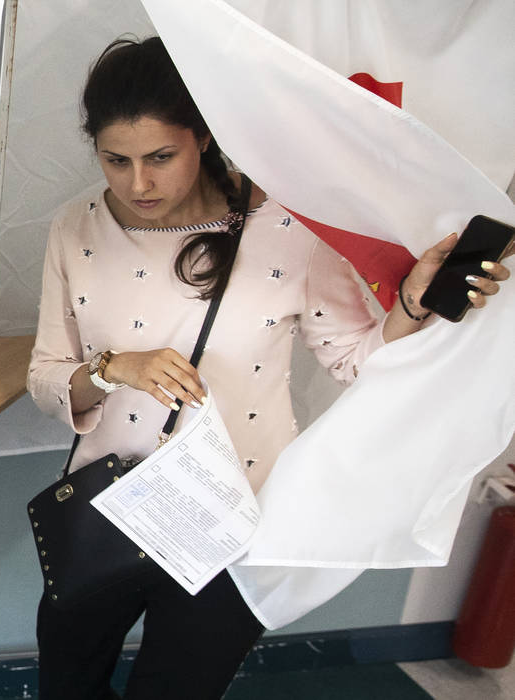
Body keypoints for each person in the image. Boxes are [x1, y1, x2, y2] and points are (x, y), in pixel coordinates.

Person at [26, 37, 510, 700]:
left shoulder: (287, 229)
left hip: (238, 521)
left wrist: (409, 307)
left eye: (161, 157)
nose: (138, 183)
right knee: (65, 685)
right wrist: (114, 366)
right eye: (117, 160)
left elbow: (357, 360)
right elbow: (48, 377)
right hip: (105, 506)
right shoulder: (72, 229)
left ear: (203, 136)